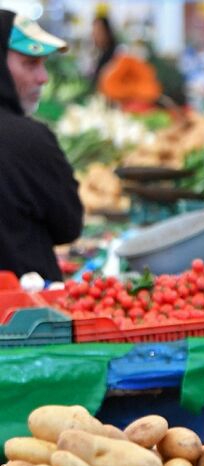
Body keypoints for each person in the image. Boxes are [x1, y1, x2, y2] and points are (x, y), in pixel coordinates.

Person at [0, 10, 83, 282]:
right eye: (30, 63)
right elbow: (68, 226)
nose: (43, 77)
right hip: (24, 315)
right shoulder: (29, 140)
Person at [89, 15, 117, 89]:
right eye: (93, 31)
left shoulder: (116, 56)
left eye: (98, 31)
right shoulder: (101, 53)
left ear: (107, 32)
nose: (94, 35)